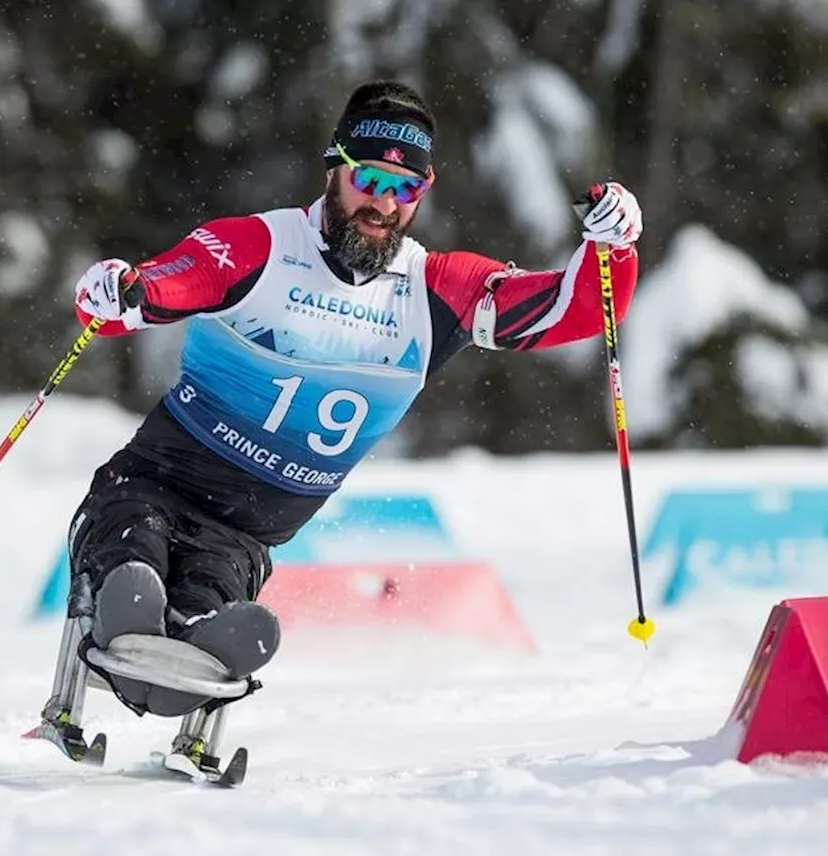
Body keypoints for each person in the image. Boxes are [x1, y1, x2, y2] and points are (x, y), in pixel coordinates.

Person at [49, 78, 643, 722]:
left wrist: (611, 248)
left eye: (405, 189)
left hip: (244, 534)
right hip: (154, 486)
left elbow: (573, 309)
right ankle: (127, 599)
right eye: (369, 180)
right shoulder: (264, 245)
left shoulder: (433, 291)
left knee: (211, 595)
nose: (383, 204)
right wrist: (124, 291)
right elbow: (171, 282)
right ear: (335, 167)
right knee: (134, 551)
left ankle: (194, 637)